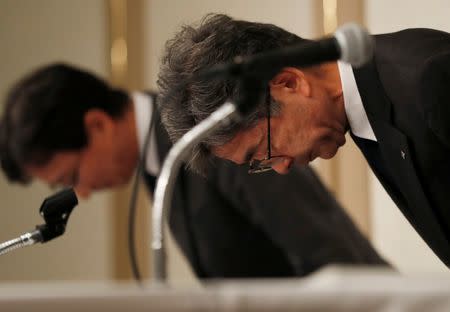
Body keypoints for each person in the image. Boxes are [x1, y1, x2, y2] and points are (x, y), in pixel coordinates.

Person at [0, 63, 388, 278]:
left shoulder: (210, 131)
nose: (80, 192)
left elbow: (334, 260)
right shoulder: (161, 156)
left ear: (98, 125)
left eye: (71, 176)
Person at [157, 13, 450, 268]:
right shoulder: (369, 104)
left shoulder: (430, 77)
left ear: (290, 84)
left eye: (264, 151)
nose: (283, 167)